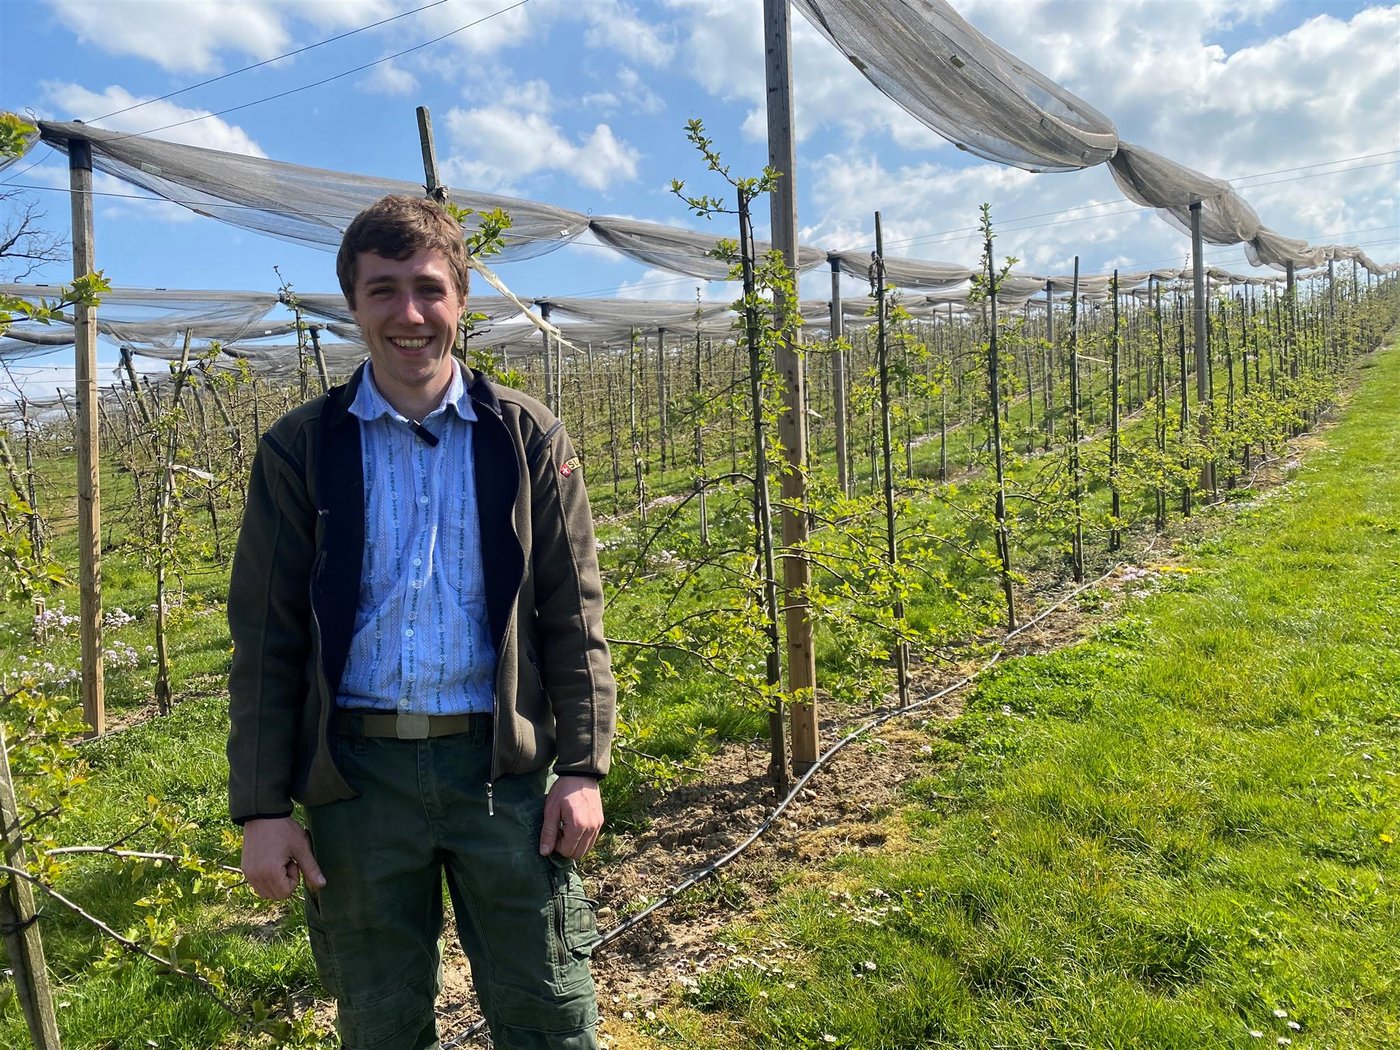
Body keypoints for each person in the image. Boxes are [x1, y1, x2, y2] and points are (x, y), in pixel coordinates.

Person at [227, 193, 615, 1050]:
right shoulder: (304, 449)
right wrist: (262, 806)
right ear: (354, 305)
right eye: (384, 290)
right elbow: (266, 633)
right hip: (358, 782)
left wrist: (582, 767)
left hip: (500, 775)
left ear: (462, 302)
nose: (410, 314)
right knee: (380, 1019)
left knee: (549, 1012)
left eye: (430, 289)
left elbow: (572, 610)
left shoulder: (523, 437)